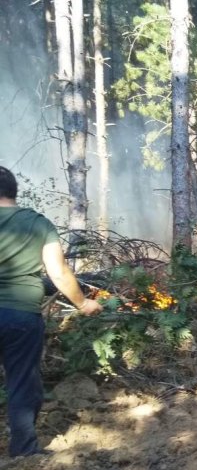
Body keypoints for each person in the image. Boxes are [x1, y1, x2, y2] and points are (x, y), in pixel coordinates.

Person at [0, 166, 102, 457]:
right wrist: (83, 303)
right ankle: (24, 452)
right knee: (21, 381)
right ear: (13, 190)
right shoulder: (37, 223)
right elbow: (57, 272)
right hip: (21, 316)